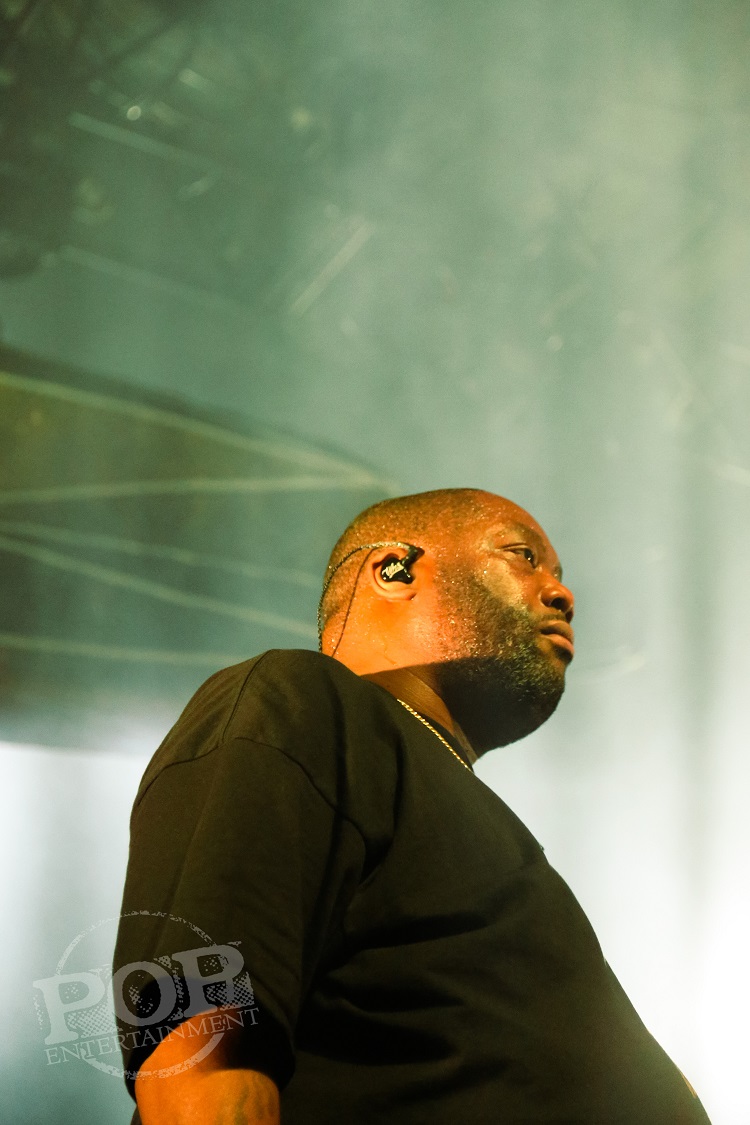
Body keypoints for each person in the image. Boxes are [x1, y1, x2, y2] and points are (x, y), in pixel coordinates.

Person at [113, 488, 711, 1124]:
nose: (562, 593)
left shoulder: (467, 814)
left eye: (557, 573)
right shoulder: (301, 703)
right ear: (393, 571)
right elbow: (191, 1035)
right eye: (523, 556)